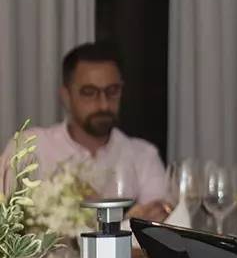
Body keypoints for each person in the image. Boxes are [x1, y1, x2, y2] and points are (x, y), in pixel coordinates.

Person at [0, 42, 171, 222]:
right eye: (89, 92)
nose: (103, 104)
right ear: (66, 95)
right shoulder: (31, 147)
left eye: (112, 91)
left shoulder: (143, 156)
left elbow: (156, 227)